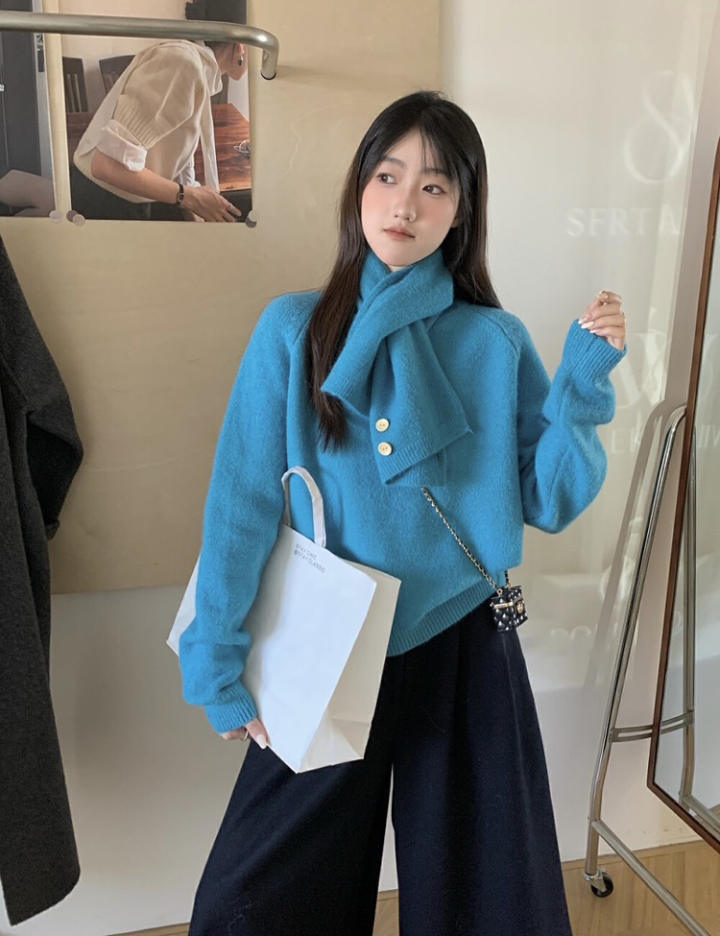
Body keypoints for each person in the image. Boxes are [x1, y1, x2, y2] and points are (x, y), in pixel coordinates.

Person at [178, 90, 628, 935]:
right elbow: (241, 504)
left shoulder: (494, 341)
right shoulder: (294, 330)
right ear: (358, 188)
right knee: (253, 906)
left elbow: (550, 500)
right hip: (327, 639)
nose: (405, 204)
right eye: (387, 176)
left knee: (489, 908)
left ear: (461, 211)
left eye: (434, 186)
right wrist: (217, 665)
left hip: (463, 642)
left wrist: (581, 385)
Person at [70, 0, 247, 222]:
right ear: (241, 43)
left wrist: (193, 200)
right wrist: (189, 197)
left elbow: (178, 154)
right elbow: (107, 165)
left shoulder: (197, 64)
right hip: (106, 200)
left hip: (123, 194)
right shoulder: (183, 64)